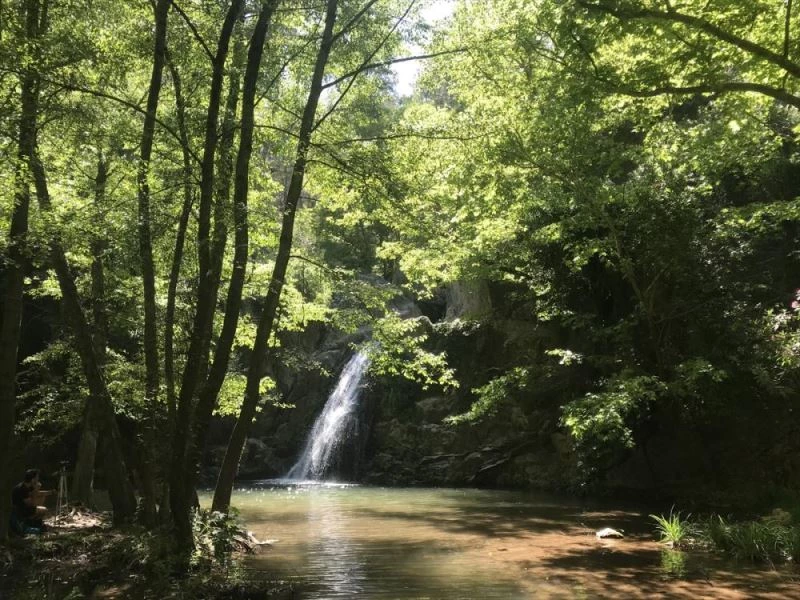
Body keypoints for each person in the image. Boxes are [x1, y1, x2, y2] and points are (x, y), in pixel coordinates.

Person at [10, 469, 52, 534]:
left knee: (42, 497)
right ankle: (31, 523)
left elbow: (37, 494)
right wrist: (36, 489)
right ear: (32, 480)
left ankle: (34, 522)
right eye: (37, 478)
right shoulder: (22, 489)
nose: (38, 479)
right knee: (45, 510)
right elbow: (32, 503)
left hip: (25, 507)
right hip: (20, 510)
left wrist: (50, 492)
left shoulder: (27, 486)